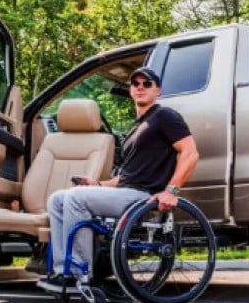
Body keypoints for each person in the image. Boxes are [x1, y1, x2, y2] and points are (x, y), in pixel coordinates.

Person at [42, 67, 199, 286]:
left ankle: (78, 274)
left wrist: (171, 190)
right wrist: (97, 184)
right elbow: (126, 176)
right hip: (127, 191)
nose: (140, 87)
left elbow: (190, 152)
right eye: (136, 84)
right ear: (131, 91)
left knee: (76, 198)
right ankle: (62, 271)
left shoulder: (164, 116)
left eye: (147, 84)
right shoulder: (135, 129)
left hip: (143, 197)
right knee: (57, 199)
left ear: (158, 90)